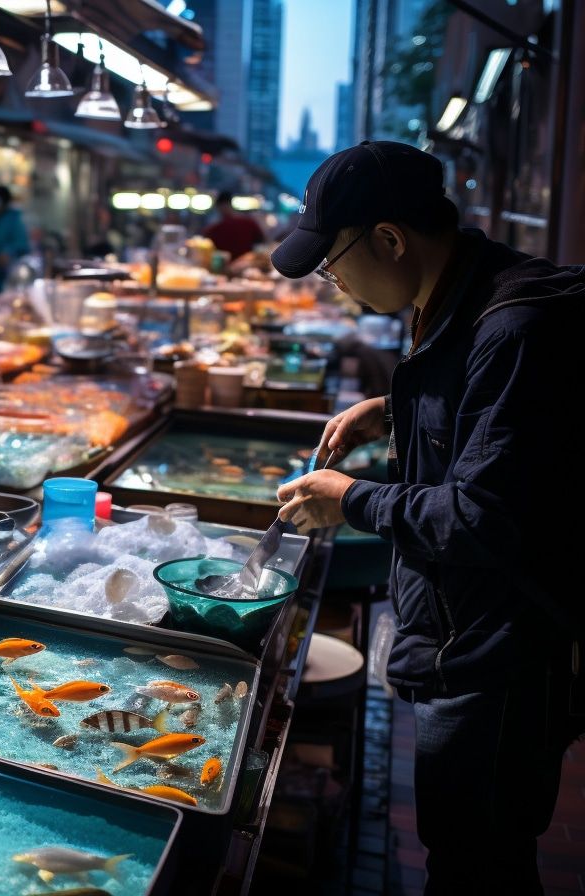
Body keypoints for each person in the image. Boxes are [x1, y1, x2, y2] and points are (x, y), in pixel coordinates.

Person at [273, 141, 584, 896]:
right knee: (466, 849)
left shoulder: (514, 329)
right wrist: (394, 410)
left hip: (498, 656)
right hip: (468, 633)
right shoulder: (463, 294)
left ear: (389, 239)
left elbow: (482, 516)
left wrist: (350, 498)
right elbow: (486, 425)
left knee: (476, 864)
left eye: (334, 261)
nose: (334, 281)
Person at [201, 190, 265, 260]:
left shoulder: (215, 228)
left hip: (227, 266)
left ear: (219, 206)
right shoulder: (249, 222)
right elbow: (262, 241)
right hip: (247, 264)